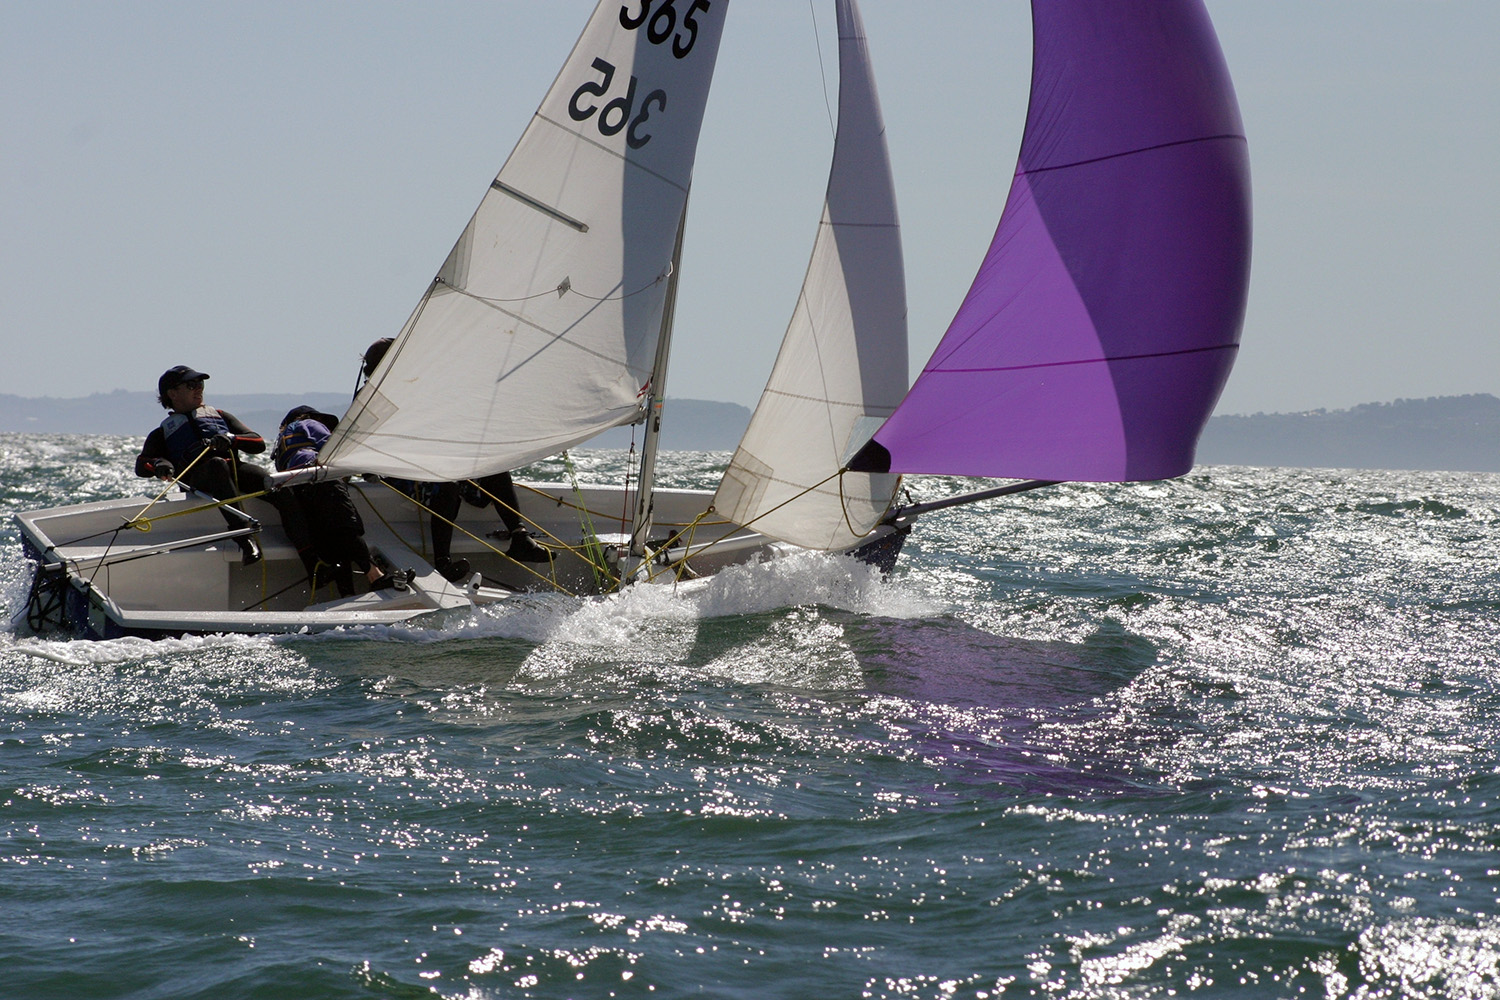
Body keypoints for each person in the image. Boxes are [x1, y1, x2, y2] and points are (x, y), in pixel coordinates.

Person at [359, 338, 551, 582]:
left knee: (494, 469)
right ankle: (443, 563)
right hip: (403, 473)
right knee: (446, 488)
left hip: (437, 465)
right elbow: (361, 446)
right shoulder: (368, 399)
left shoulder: (417, 391)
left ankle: (520, 537)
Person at [135, 365, 314, 572]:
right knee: (216, 465)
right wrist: (159, 464)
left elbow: (257, 442)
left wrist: (231, 439)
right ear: (172, 393)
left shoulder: (220, 415)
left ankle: (310, 558)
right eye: (191, 385)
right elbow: (142, 465)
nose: (199, 389)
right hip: (198, 479)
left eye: (200, 384)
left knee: (276, 484)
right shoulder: (161, 433)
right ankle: (243, 538)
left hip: (232, 470)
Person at [272, 406, 412, 595]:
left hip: (299, 489)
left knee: (333, 542)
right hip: (321, 479)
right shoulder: (307, 423)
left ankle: (347, 594)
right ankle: (376, 576)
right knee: (347, 528)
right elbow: (333, 448)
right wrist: (365, 469)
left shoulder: (281, 445)